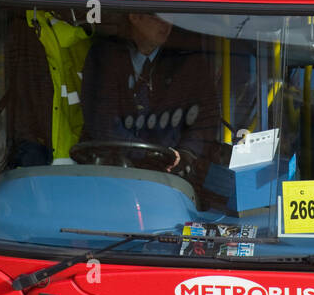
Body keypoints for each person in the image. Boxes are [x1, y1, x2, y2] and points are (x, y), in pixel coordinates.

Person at [79, 11, 232, 198]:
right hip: (113, 176)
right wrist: (149, 155)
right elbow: (103, 121)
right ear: (134, 17)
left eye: (171, 15)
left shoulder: (188, 61)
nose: (167, 23)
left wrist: (186, 153)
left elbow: (206, 116)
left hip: (174, 181)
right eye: (157, 16)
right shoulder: (105, 56)